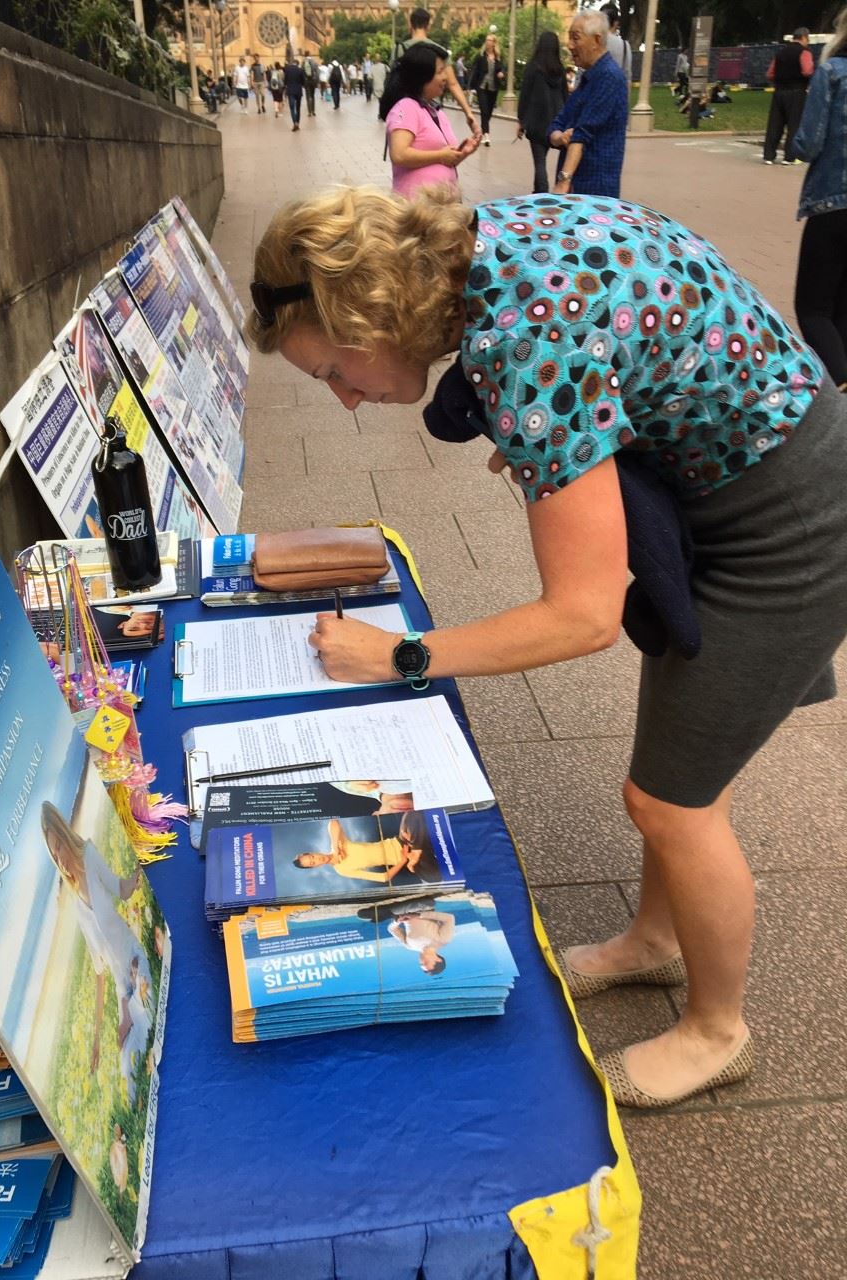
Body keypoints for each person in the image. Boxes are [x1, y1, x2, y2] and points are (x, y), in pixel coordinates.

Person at [247, 183, 847, 1108]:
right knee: (681, 761)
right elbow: (620, 341)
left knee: (672, 802)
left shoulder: (526, 343)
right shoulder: (479, 248)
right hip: (751, 470)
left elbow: (582, 615)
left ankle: (718, 1031)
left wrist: (400, 656)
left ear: (374, 314)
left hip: (794, 523)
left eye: (334, 371)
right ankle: (656, 940)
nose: (345, 402)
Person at [41, 801, 154, 1104]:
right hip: (122, 989)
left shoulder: (90, 856)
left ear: (66, 837)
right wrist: (95, 1042)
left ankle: (135, 1012)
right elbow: (99, 972)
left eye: (59, 847)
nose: (60, 858)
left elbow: (123, 889)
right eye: (53, 855)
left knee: (145, 1020)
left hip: (134, 960)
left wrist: (142, 862)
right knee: (126, 1063)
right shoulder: (76, 905)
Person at [793, 8, 847, 389]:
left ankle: (840, 385)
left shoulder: (832, 74)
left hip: (833, 203)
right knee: (842, 309)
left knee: (812, 307)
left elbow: (809, 143)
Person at [548, 10, 629, 197]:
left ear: (597, 40)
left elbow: (582, 134)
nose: (569, 45)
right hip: (577, 188)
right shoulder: (588, 78)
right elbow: (557, 123)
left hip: (594, 191)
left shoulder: (609, 77)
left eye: (575, 38)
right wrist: (559, 137)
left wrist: (563, 181)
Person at [382, 44, 479, 199]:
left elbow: (444, 159)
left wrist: (463, 153)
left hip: (441, 207)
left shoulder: (435, 111)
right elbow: (399, 154)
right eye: (440, 71)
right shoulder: (406, 107)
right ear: (423, 76)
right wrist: (440, 155)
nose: (445, 77)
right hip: (418, 210)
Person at [402, 8, 479, 140]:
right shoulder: (439, 51)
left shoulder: (400, 49)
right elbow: (453, 83)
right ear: (428, 26)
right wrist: (468, 112)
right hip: (430, 110)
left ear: (411, 24)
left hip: (404, 112)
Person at [292, 816, 428, 884]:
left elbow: (333, 822)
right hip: (407, 858)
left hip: (400, 841)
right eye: (313, 863)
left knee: (412, 816)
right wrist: (403, 860)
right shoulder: (342, 870)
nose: (317, 859)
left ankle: (417, 849)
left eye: (312, 857)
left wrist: (336, 848)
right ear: (315, 867)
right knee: (433, 877)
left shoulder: (339, 844)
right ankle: (417, 850)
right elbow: (383, 878)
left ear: (314, 853)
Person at [516, 29, 568, 193]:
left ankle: (542, 192)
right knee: (547, 159)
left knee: (540, 161)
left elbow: (525, 95)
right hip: (557, 121)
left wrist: (521, 121)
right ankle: (538, 190)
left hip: (537, 121)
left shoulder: (533, 67)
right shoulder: (560, 69)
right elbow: (565, 96)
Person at [763, 26, 814, 164]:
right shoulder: (804, 52)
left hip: (779, 91)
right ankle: (789, 157)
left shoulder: (780, 53)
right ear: (804, 37)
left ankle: (769, 155)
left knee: (775, 123)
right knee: (794, 124)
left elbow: (770, 73)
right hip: (796, 92)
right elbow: (807, 71)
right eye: (807, 39)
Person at [468, 32, 505, 145]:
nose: (487, 42)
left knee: (489, 112)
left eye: (490, 40)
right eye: (487, 40)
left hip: (493, 88)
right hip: (482, 86)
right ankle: (486, 135)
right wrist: (470, 87)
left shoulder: (498, 57)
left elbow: (503, 68)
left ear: (494, 43)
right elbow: (474, 71)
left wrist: (502, 73)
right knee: (484, 110)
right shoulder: (480, 56)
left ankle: (482, 130)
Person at [602, 3, 632, 88]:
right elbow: (627, 76)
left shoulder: (592, 42)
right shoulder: (625, 45)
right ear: (616, 23)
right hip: (616, 93)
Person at [284, 55, 305, 131]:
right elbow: (303, 82)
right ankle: (298, 123)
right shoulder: (300, 70)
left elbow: (285, 81)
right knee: (298, 108)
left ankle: (294, 122)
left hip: (290, 91)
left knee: (292, 108)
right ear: (298, 64)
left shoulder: (287, 70)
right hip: (298, 91)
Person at [300, 50, 319, 117]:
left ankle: (309, 112)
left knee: (308, 97)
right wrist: (317, 81)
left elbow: (301, 72)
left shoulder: (303, 62)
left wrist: (302, 82)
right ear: (310, 54)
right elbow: (317, 72)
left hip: (306, 81)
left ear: (305, 55)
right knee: (313, 96)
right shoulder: (314, 62)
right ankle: (313, 111)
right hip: (313, 81)